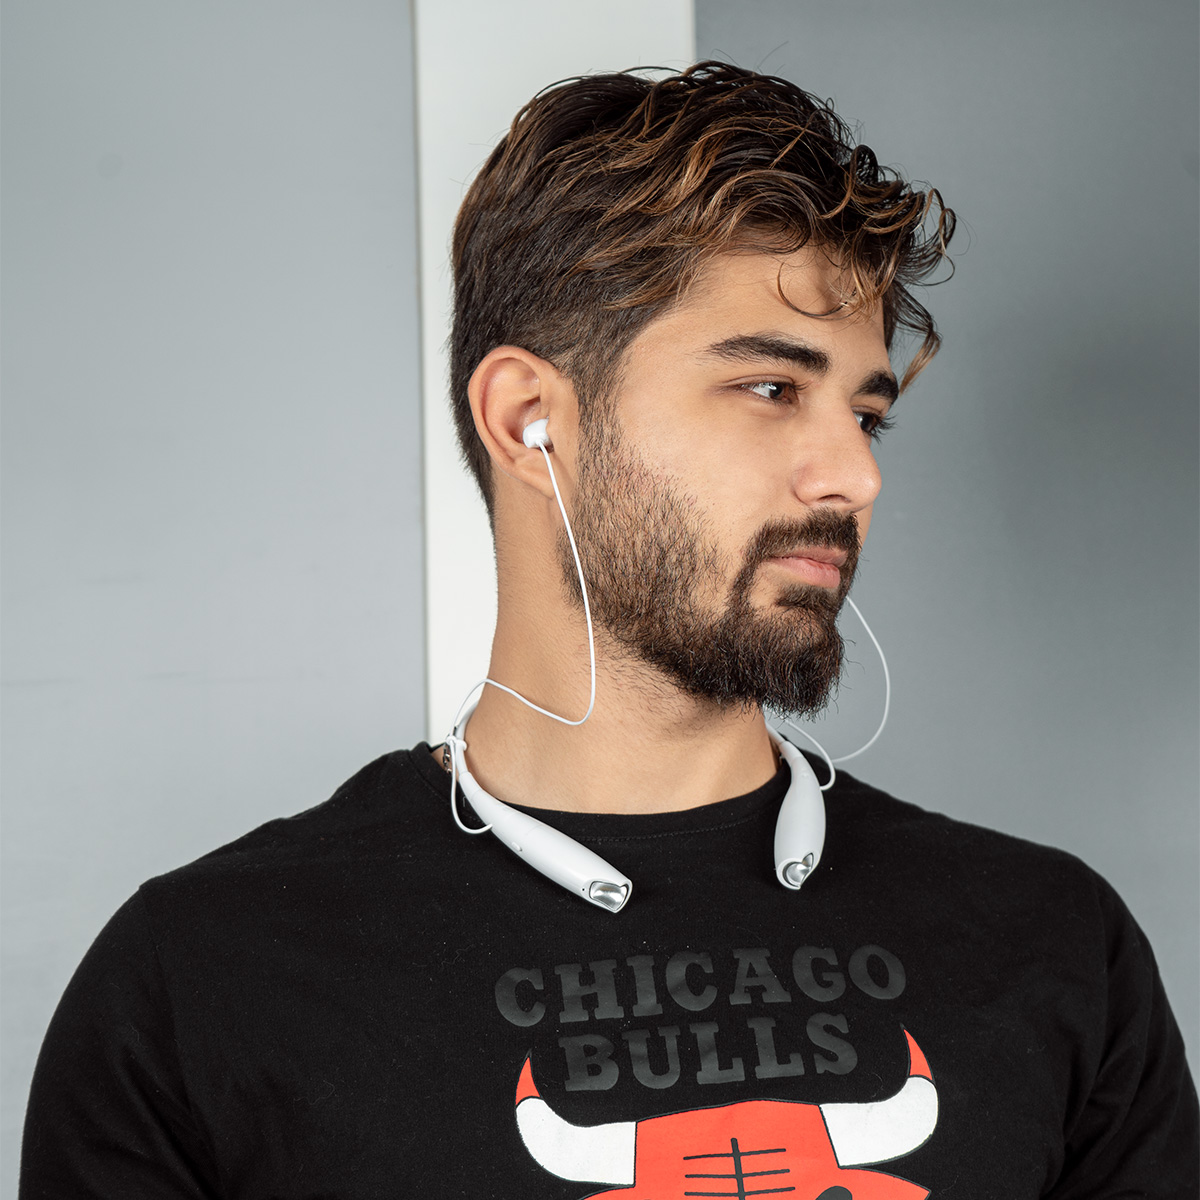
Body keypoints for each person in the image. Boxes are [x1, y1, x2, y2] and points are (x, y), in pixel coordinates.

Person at [20, 61, 1197, 1198]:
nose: (852, 475)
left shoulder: (1054, 943)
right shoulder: (199, 984)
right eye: (771, 388)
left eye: (865, 415)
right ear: (529, 419)